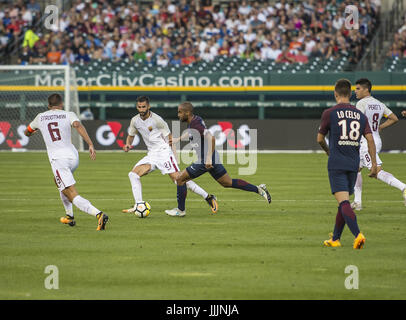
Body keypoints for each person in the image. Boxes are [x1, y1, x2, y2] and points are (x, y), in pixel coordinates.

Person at [168, 102, 271, 217]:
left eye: (180, 112)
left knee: (180, 179)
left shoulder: (195, 124)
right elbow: (192, 133)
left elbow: (211, 138)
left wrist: (207, 159)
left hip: (206, 159)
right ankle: (258, 189)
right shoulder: (195, 121)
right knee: (227, 182)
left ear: (187, 113)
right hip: (212, 157)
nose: (178, 115)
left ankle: (180, 210)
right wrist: (179, 139)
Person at [24, 94, 108, 230]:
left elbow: (27, 132)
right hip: (73, 157)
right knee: (58, 182)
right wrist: (90, 144)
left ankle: (98, 214)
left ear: (48, 105)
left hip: (59, 160)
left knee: (71, 193)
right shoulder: (68, 114)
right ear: (61, 104)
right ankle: (69, 216)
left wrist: (33, 132)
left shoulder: (40, 117)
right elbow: (77, 125)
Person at [122, 96, 218, 217]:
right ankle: (139, 205)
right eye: (139, 107)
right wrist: (127, 144)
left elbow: (170, 138)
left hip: (164, 152)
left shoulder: (157, 120)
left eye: (144, 107)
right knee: (133, 174)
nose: (141, 109)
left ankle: (208, 197)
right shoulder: (135, 120)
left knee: (179, 180)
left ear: (148, 106)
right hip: (151, 154)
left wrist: (174, 156)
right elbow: (131, 134)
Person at [317, 79, 377, 249]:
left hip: (336, 163)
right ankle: (335, 238)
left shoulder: (329, 113)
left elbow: (320, 139)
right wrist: (373, 164)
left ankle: (358, 234)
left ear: (335, 94)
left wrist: (328, 151)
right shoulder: (360, 115)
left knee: (344, 203)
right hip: (353, 164)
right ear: (350, 94)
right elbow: (370, 140)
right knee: (343, 202)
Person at [351, 78, 406, 210]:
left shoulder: (361, 104)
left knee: (376, 171)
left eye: (358, 88)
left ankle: (403, 187)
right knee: (356, 169)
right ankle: (357, 202)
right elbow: (394, 118)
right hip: (376, 138)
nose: (355, 91)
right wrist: (380, 127)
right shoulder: (379, 104)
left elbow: (357, 123)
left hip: (366, 142)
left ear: (366, 89)